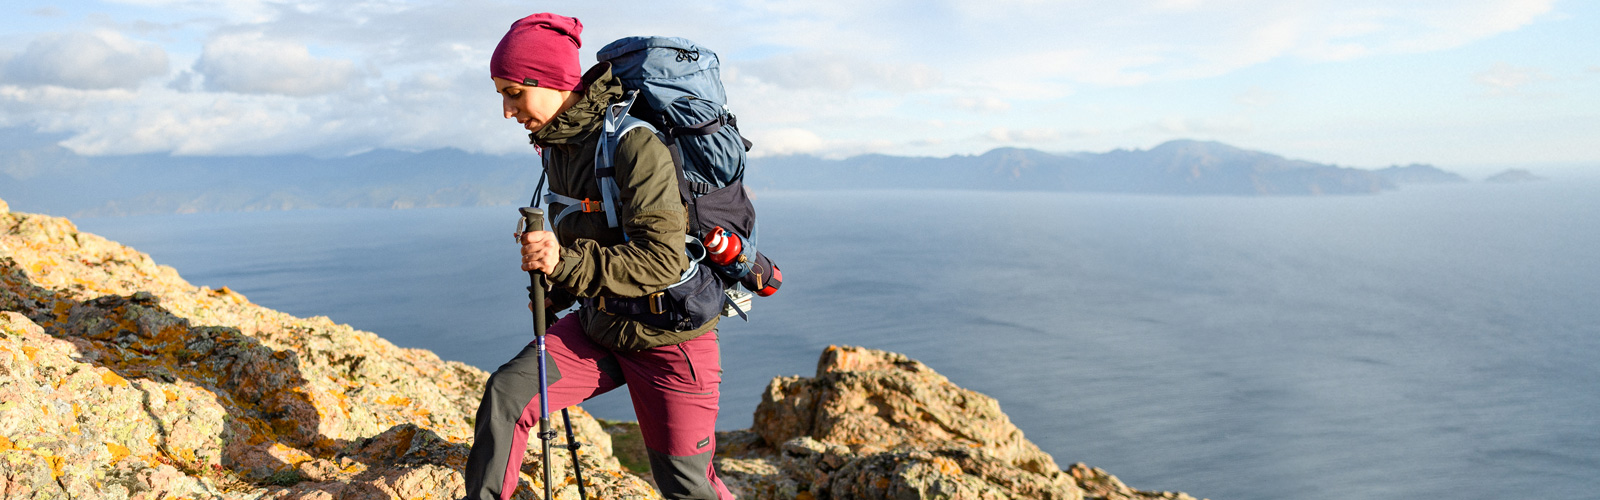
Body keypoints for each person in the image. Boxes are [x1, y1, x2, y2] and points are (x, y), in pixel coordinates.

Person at [460, 13, 735, 500]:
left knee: (686, 484)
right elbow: (593, 235)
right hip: (601, 326)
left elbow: (662, 260)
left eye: (513, 93)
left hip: (669, 339)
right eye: (500, 94)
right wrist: (556, 286)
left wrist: (562, 262)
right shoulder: (558, 148)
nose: (506, 110)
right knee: (507, 395)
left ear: (550, 81)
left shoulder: (634, 144)